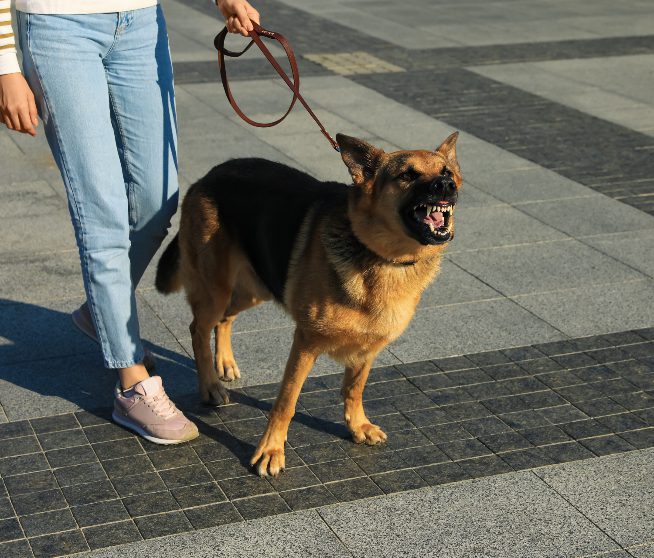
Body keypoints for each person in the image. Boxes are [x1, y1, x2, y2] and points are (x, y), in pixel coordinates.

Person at [0, 0, 259, 444]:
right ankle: (131, 382)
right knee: (100, 208)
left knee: (157, 200)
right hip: (56, 25)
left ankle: (97, 312)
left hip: (139, 22)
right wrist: (5, 65)